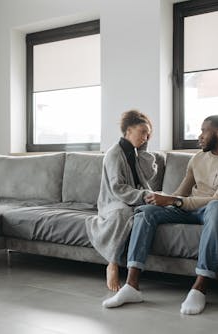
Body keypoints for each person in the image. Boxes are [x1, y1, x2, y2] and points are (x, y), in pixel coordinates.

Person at [102, 115, 218, 315]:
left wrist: (175, 202)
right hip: (192, 209)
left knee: (217, 207)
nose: (199, 136)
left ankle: (199, 288)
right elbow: (181, 193)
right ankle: (132, 285)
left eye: (204, 131)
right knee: (145, 212)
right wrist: (164, 199)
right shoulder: (198, 158)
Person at [86, 110, 158, 292]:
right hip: (113, 202)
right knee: (124, 213)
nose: (146, 136)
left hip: (132, 199)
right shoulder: (114, 154)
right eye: (142, 132)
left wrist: (143, 150)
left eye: (148, 133)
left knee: (149, 212)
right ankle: (112, 263)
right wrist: (143, 196)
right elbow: (117, 188)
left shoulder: (135, 152)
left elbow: (150, 174)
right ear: (128, 130)